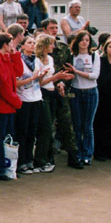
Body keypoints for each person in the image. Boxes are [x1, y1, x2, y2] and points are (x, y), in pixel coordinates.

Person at [41, 18, 79, 168]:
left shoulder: (63, 48)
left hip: (61, 90)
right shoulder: (39, 49)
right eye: (52, 28)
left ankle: (72, 155)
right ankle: (48, 156)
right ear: (45, 30)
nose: (55, 30)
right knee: (48, 126)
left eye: (56, 28)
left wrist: (62, 83)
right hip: (45, 91)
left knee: (67, 123)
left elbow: (69, 70)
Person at [0, 33, 23, 180]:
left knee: (7, 138)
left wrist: (15, 55)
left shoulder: (5, 58)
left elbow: (18, 72)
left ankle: (6, 167)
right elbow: (3, 86)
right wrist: (17, 102)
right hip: (1, 105)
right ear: (5, 44)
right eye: (11, 43)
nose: (13, 46)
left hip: (8, 105)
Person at [33, 34, 68, 173]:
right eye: (51, 44)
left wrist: (59, 81)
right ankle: (40, 160)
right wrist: (56, 77)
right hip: (42, 95)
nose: (53, 46)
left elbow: (51, 78)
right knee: (46, 128)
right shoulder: (37, 60)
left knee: (50, 127)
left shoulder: (51, 59)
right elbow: (39, 82)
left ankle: (47, 158)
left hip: (52, 94)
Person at [67, 31, 101, 165]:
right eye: (82, 40)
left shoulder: (94, 56)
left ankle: (87, 154)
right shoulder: (72, 56)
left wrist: (76, 71)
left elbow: (94, 75)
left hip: (91, 91)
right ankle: (78, 153)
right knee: (77, 125)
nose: (84, 42)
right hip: (75, 91)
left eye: (87, 40)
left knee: (88, 126)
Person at [15, 36, 46, 174]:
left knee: (32, 131)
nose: (32, 45)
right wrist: (32, 78)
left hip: (36, 98)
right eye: (29, 42)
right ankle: (21, 162)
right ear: (22, 45)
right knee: (22, 131)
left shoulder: (37, 60)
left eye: (34, 43)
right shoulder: (19, 60)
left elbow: (40, 82)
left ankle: (29, 160)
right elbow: (16, 83)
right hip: (24, 99)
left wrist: (41, 76)